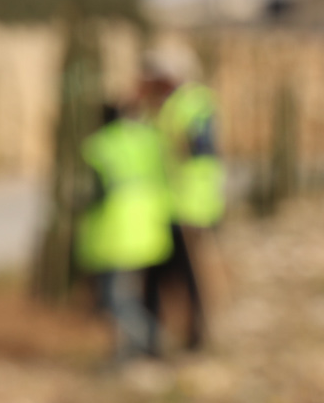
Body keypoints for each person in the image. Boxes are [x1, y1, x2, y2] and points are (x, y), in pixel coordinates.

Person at [78, 100, 174, 365]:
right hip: (152, 228)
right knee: (132, 294)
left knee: (115, 299)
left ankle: (149, 341)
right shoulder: (150, 140)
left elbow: (93, 192)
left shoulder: (99, 145)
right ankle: (136, 349)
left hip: (116, 233)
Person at [143, 53, 223, 351]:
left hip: (189, 203)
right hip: (166, 203)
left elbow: (200, 147)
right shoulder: (163, 105)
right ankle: (155, 338)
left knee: (189, 276)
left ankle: (195, 336)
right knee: (158, 276)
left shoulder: (194, 103)